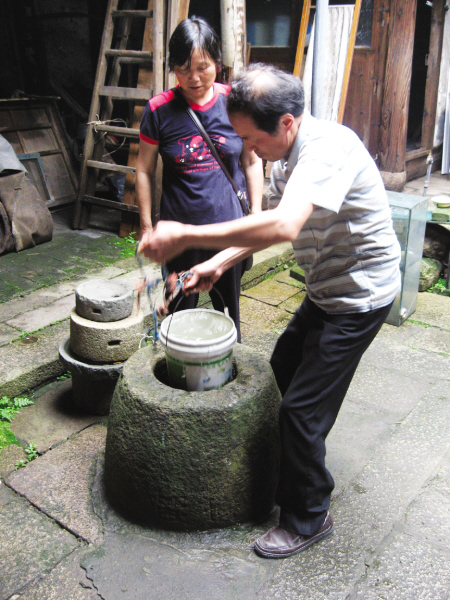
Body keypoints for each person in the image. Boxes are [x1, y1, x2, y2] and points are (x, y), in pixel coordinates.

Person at [140, 64, 401, 559]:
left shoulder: (328, 150)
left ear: (285, 123)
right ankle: (281, 466)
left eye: (250, 139)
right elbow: (260, 223)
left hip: (358, 298)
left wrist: (186, 234)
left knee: (302, 410)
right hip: (327, 287)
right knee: (278, 372)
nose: (247, 153)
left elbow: (282, 227)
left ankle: (308, 516)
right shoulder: (286, 153)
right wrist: (213, 265)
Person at [136, 17, 263, 340]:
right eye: (183, 69)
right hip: (180, 236)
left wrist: (257, 218)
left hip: (228, 229)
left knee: (230, 310)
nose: (193, 78)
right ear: (172, 68)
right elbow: (144, 170)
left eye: (203, 67)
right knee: (179, 313)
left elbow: (251, 160)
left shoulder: (235, 102)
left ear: (218, 64)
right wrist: (148, 227)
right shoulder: (158, 110)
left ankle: (226, 367)